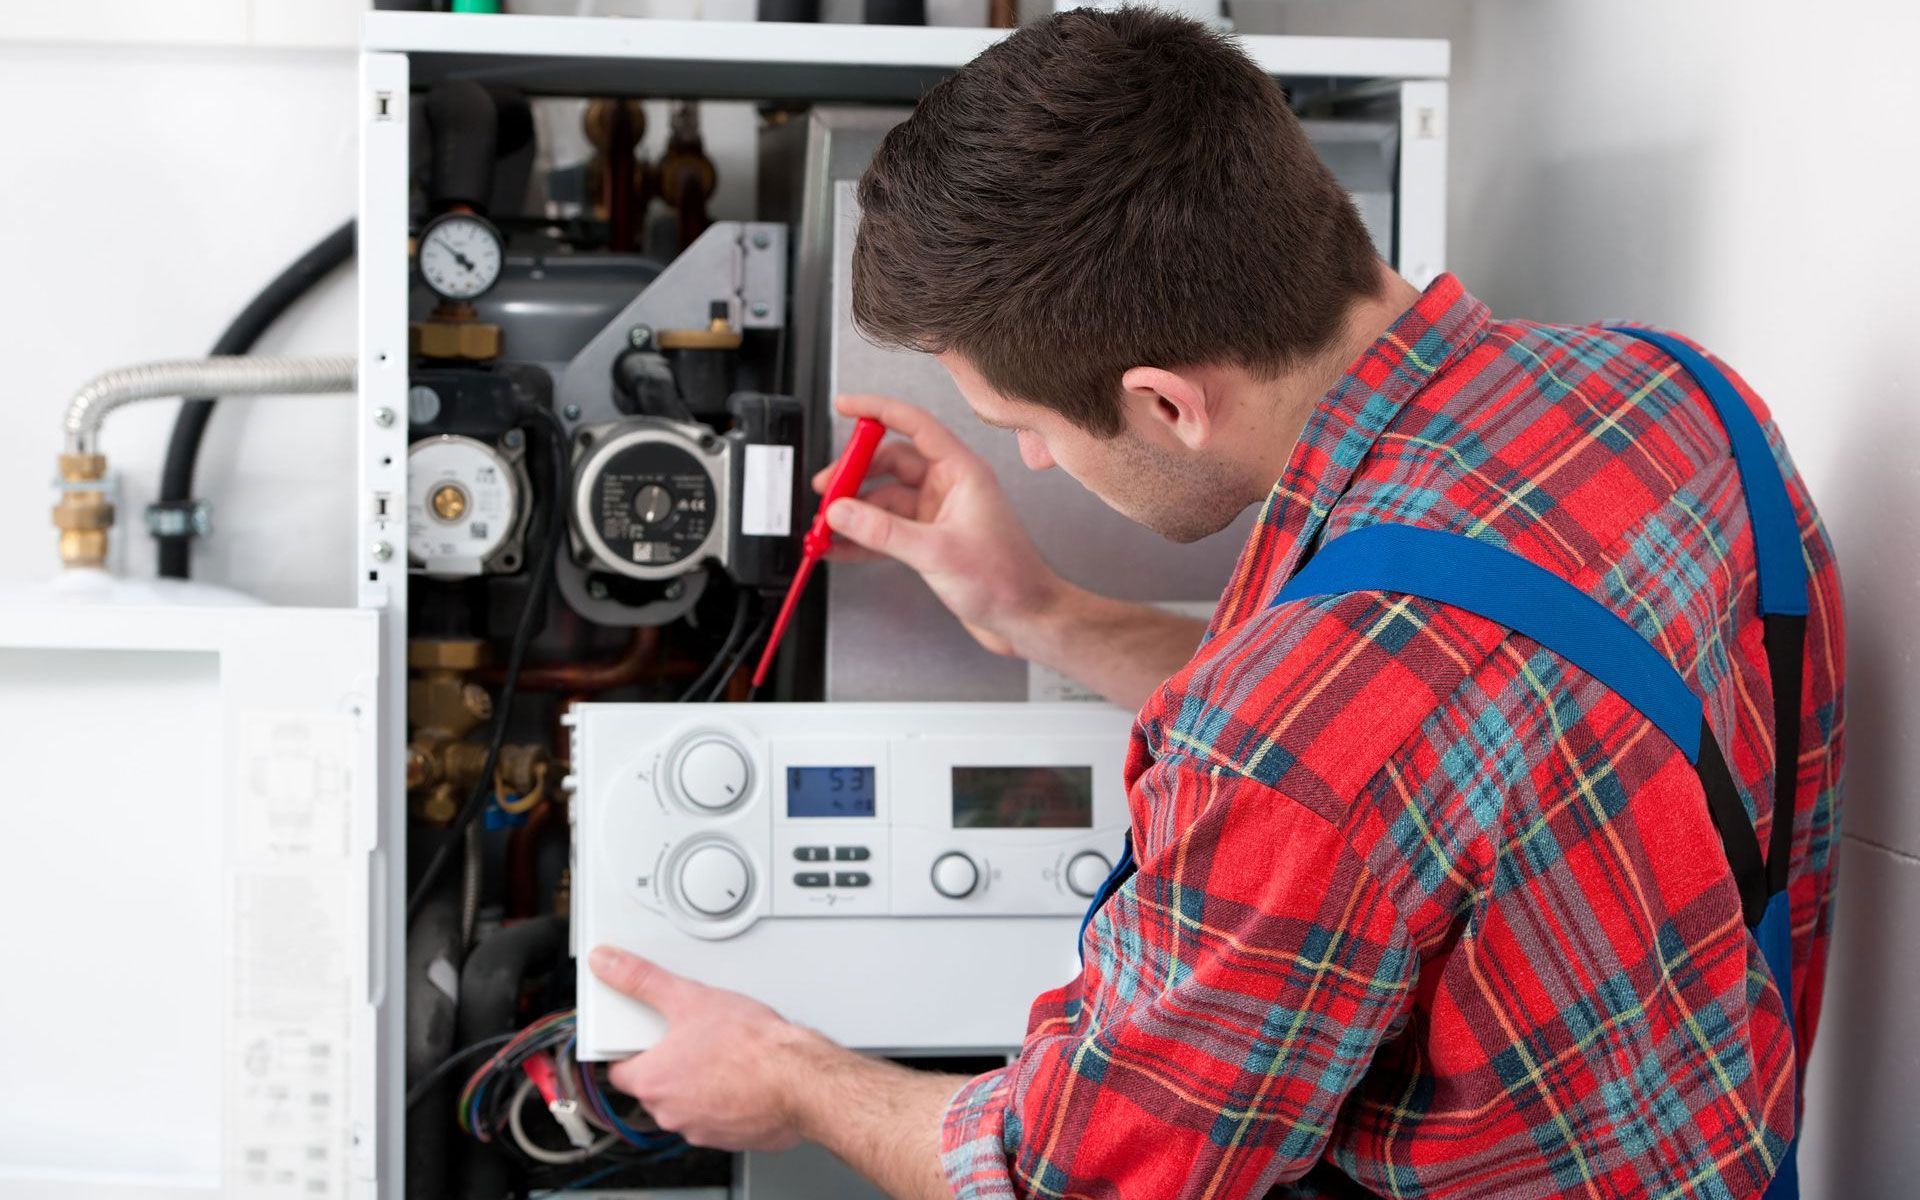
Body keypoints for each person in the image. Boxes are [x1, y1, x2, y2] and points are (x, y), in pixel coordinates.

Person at [586, 8, 1845, 1198]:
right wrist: (1036, 611)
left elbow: (1073, 1177)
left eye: (1025, 428)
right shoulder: (1670, 397)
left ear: (1167, 402)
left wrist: (788, 1079)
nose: (1031, 460)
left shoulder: (1290, 742)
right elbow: (1430, 745)